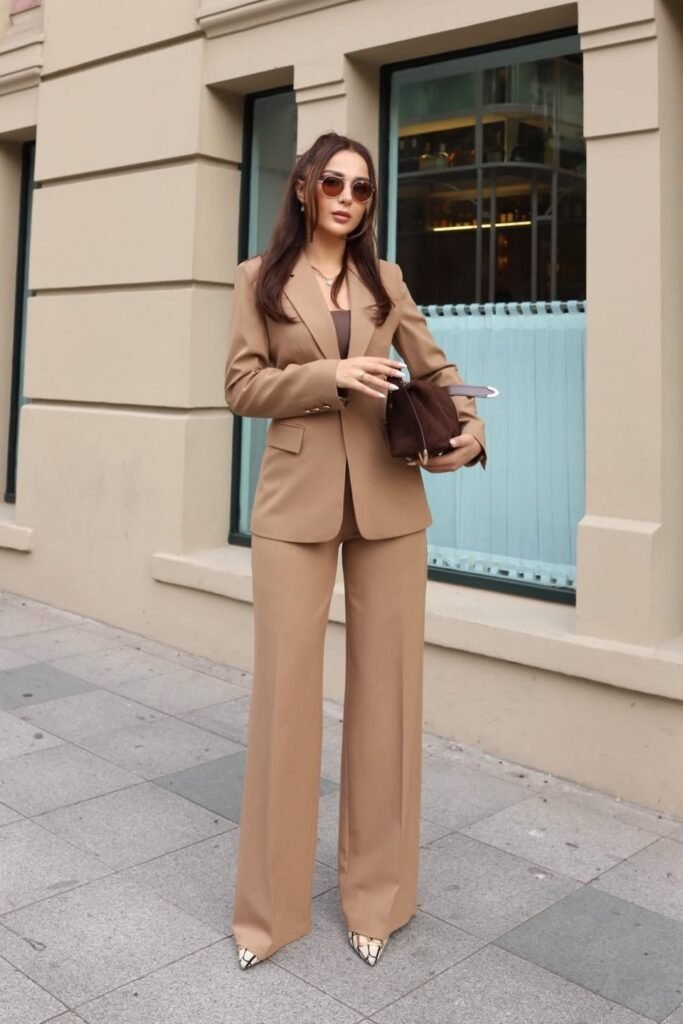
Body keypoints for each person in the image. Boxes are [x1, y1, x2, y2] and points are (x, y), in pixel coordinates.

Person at [224, 131, 487, 970]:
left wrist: (468, 432)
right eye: (332, 183)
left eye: (362, 189)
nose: (346, 197)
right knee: (285, 705)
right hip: (293, 504)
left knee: (387, 706)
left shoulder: (387, 281)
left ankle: (377, 900)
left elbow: (435, 369)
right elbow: (240, 386)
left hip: (387, 498)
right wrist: (330, 376)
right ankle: (268, 916)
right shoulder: (257, 279)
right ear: (304, 188)